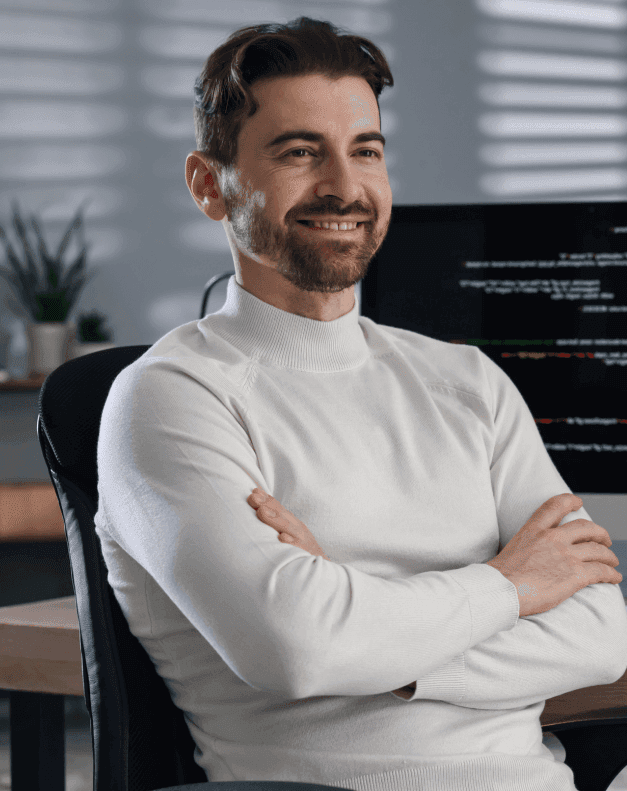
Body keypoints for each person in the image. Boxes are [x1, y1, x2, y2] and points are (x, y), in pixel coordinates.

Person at [93, 16, 627, 791]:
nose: (344, 186)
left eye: (365, 150)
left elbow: (600, 635)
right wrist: (511, 586)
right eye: (300, 151)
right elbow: (297, 649)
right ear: (210, 184)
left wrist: (369, 629)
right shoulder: (170, 395)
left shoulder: (466, 379)